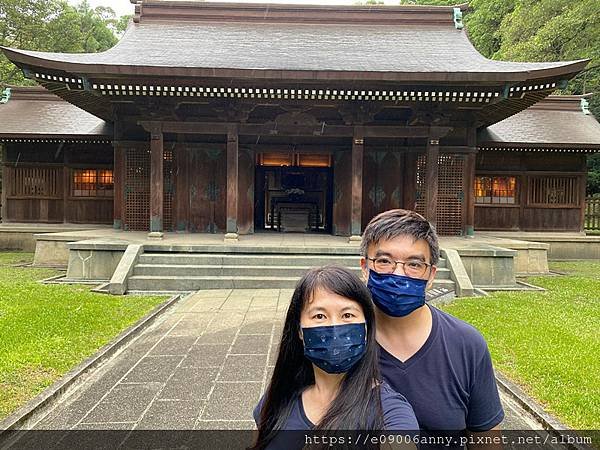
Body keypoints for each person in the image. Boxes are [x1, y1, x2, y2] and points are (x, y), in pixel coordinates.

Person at [360, 209, 504, 446]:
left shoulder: (466, 345)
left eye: (414, 264)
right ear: (365, 267)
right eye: (384, 261)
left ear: (431, 275)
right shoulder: (341, 342)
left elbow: (487, 440)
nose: (398, 274)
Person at [252, 266, 419, 450]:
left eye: (347, 315)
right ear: (299, 329)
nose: (334, 327)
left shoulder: (387, 409)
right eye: (319, 316)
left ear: (366, 328)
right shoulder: (279, 397)